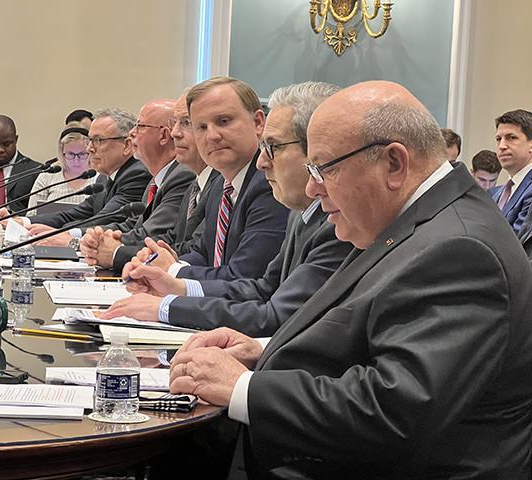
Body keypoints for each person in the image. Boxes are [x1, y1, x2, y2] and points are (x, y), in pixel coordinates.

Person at [167, 81, 532, 479]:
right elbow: (366, 334)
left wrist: (241, 388)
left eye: (324, 169)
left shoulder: (460, 249)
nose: (312, 188)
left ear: (394, 163)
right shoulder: (416, 222)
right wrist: (262, 348)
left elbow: (394, 410)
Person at [104, 81, 352, 337]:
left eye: (223, 121)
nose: (262, 162)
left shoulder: (331, 218)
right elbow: (261, 288)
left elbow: (272, 310)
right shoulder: (227, 186)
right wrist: (175, 285)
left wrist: (167, 302)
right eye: (200, 126)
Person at [88, 77, 290, 282]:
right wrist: (152, 264)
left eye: (224, 121)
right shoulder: (221, 184)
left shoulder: (269, 183)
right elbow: (202, 254)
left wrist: (171, 271)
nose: (212, 136)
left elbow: (243, 277)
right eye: (201, 127)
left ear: (257, 122)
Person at [0, 108, 151, 249]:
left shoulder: (136, 174)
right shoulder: (104, 177)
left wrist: (65, 234)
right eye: (89, 140)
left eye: (98, 140)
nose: (89, 148)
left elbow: (104, 220)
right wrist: (22, 222)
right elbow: (74, 214)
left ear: (127, 146)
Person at [79, 99, 195, 271]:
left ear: (163, 135)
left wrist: (110, 247)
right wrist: (103, 238)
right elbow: (135, 224)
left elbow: (155, 235)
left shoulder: (183, 176)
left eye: (139, 126)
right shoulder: (154, 181)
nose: (132, 133)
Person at [111, 90, 220, 265]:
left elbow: (194, 249)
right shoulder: (196, 183)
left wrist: (117, 252)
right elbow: (175, 240)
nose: (174, 133)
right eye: (175, 123)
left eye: (186, 123)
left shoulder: (193, 178)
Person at [26, 122, 96, 215]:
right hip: (47, 228)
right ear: (62, 152)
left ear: (89, 150)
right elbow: (31, 214)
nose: (76, 160)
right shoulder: (47, 176)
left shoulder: (100, 177)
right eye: (70, 154)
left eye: (82, 154)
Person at [490, 109, 532, 233]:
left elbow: (517, 245)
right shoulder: (497, 193)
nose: (502, 146)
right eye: (498, 139)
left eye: (511, 138)